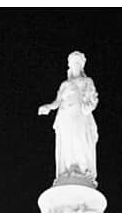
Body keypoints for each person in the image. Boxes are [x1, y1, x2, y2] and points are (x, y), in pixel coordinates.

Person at [38, 51, 99, 184]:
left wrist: (90, 105)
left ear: (81, 65)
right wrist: (48, 107)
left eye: (78, 63)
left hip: (79, 113)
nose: (75, 65)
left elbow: (92, 97)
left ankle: (83, 170)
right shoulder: (64, 84)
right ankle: (69, 169)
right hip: (65, 114)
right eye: (73, 63)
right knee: (67, 141)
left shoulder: (87, 81)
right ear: (70, 65)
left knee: (79, 138)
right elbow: (57, 101)